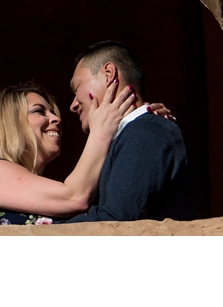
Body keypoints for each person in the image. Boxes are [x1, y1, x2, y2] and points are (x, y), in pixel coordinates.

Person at [0, 79, 142, 225]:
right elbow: (75, 197)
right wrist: (101, 129)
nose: (56, 119)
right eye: (39, 111)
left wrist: (140, 124)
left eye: (53, 112)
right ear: (9, 124)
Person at [61, 40, 197, 222]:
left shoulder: (146, 131)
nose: (73, 105)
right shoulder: (134, 133)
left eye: (76, 88)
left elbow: (117, 220)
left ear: (108, 74)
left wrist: (43, 230)